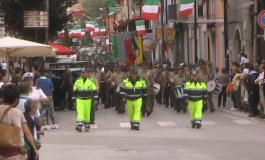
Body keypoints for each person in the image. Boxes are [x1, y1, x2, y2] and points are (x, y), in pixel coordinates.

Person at [0, 84, 39, 160]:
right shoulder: (16, 112)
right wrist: (25, 149)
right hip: (13, 154)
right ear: (16, 98)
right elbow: (22, 132)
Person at [73, 68, 98, 132]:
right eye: (82, 73)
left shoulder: (90, 81)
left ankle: (87, 126)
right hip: (80, 100)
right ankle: (79, 125)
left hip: (88, 100)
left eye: (84, 72)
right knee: (80, 112)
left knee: (87, 113)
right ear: (81, 73)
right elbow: (74, 91)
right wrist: (73, 101)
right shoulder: (77, 81)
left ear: (87, 73)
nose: (83, 74)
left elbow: (94, 90)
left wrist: (95, 99)